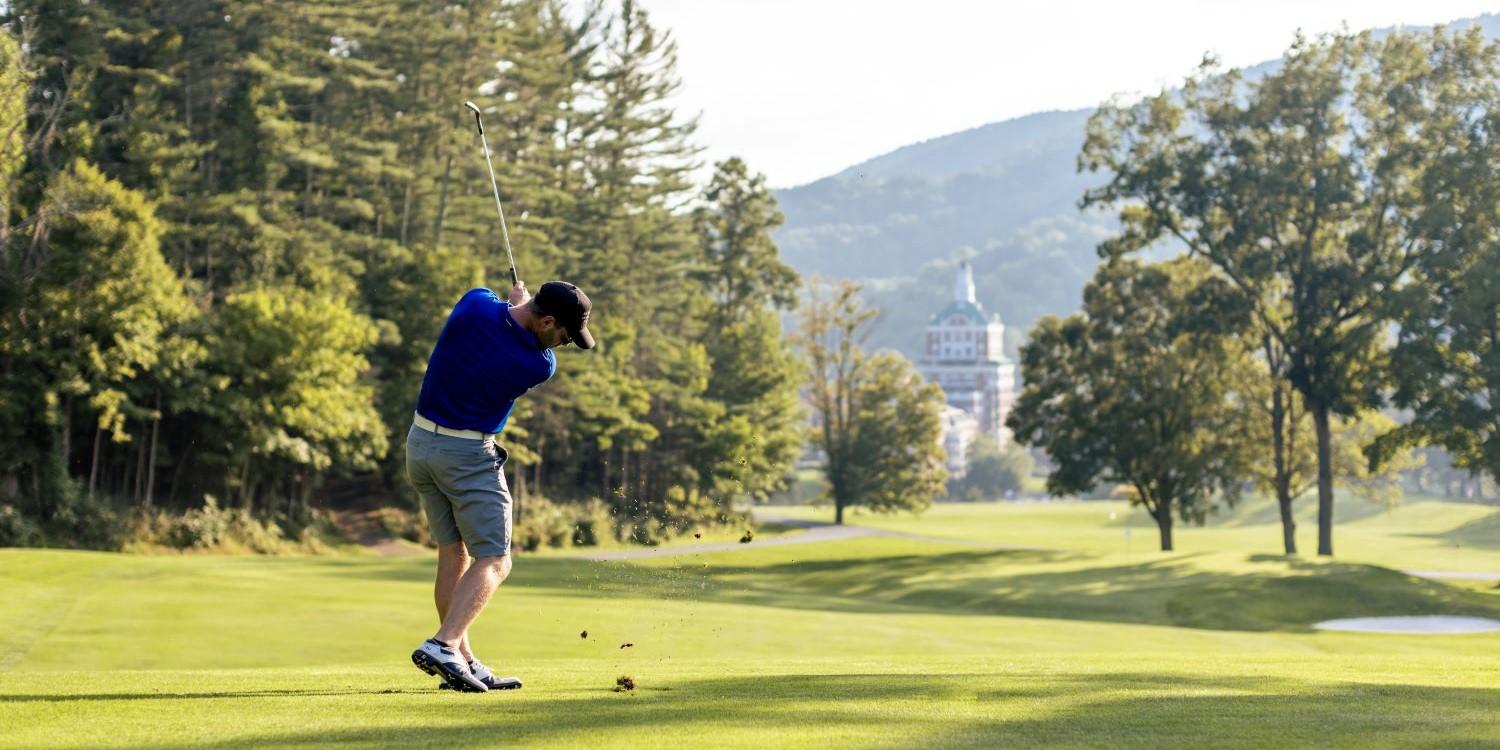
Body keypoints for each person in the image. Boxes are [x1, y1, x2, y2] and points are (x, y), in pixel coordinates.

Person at [406, 280, 594, 693]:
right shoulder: (537, 365)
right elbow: (523, 333)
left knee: (453, 553)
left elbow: (496, 306)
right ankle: (443, 644)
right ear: (547, 322)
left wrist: (516, 303)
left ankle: (462, 660)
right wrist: (519, 304)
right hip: (466, 456)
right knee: (495, 560)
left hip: (419, 446)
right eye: (565, 336)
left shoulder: (473, 304)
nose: (564, 345)